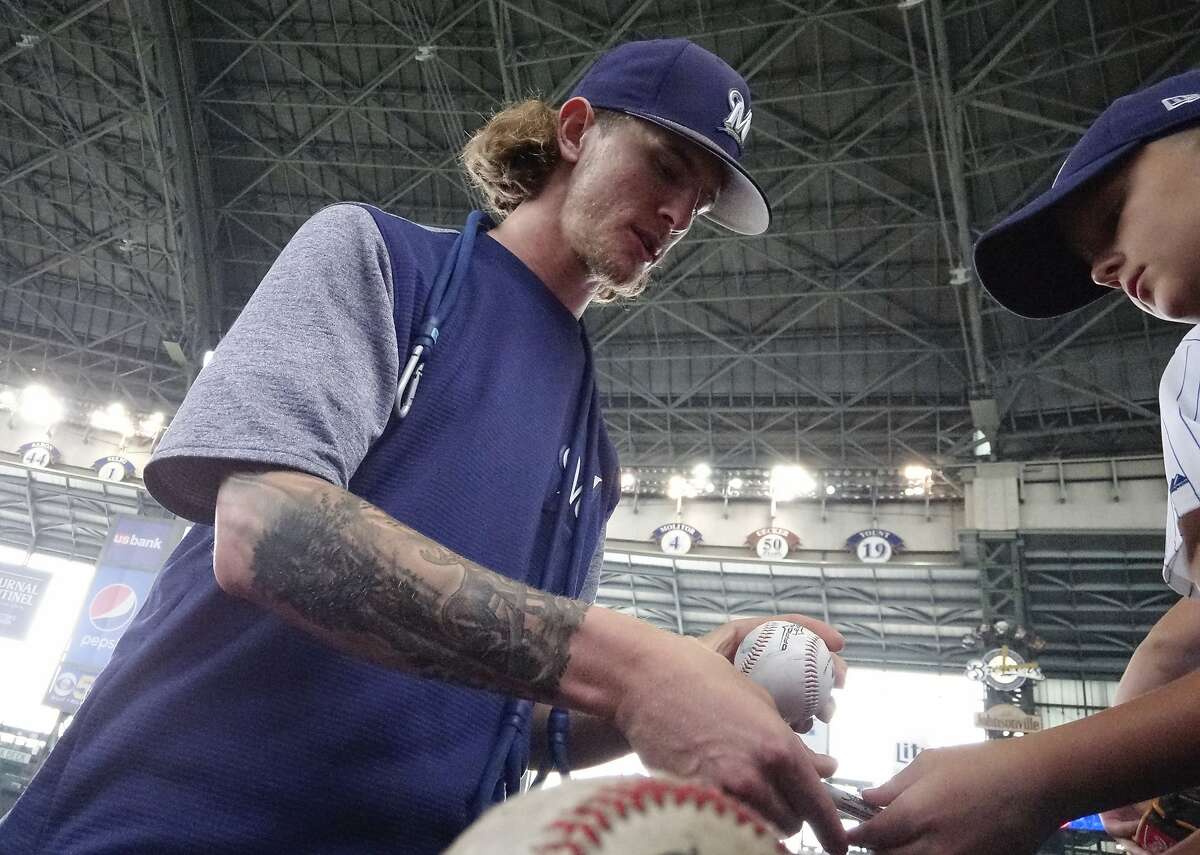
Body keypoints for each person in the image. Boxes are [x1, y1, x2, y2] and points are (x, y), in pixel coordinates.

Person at [0, 38, 850, 854]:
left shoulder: (596, 457)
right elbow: (265, 531)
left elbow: (515, 719)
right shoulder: (376, 256)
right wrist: (636, 669)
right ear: (576, 129)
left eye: (697, 204)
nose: (674, 213)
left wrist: (694, 670)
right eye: (665, 165)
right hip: (158, 826)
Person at [848, 69, 1200, 855]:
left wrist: (1042, 774)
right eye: (1093, 265)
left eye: (1112, 216)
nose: (1106, 271)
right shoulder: (1192, 373)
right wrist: (1149, 680)